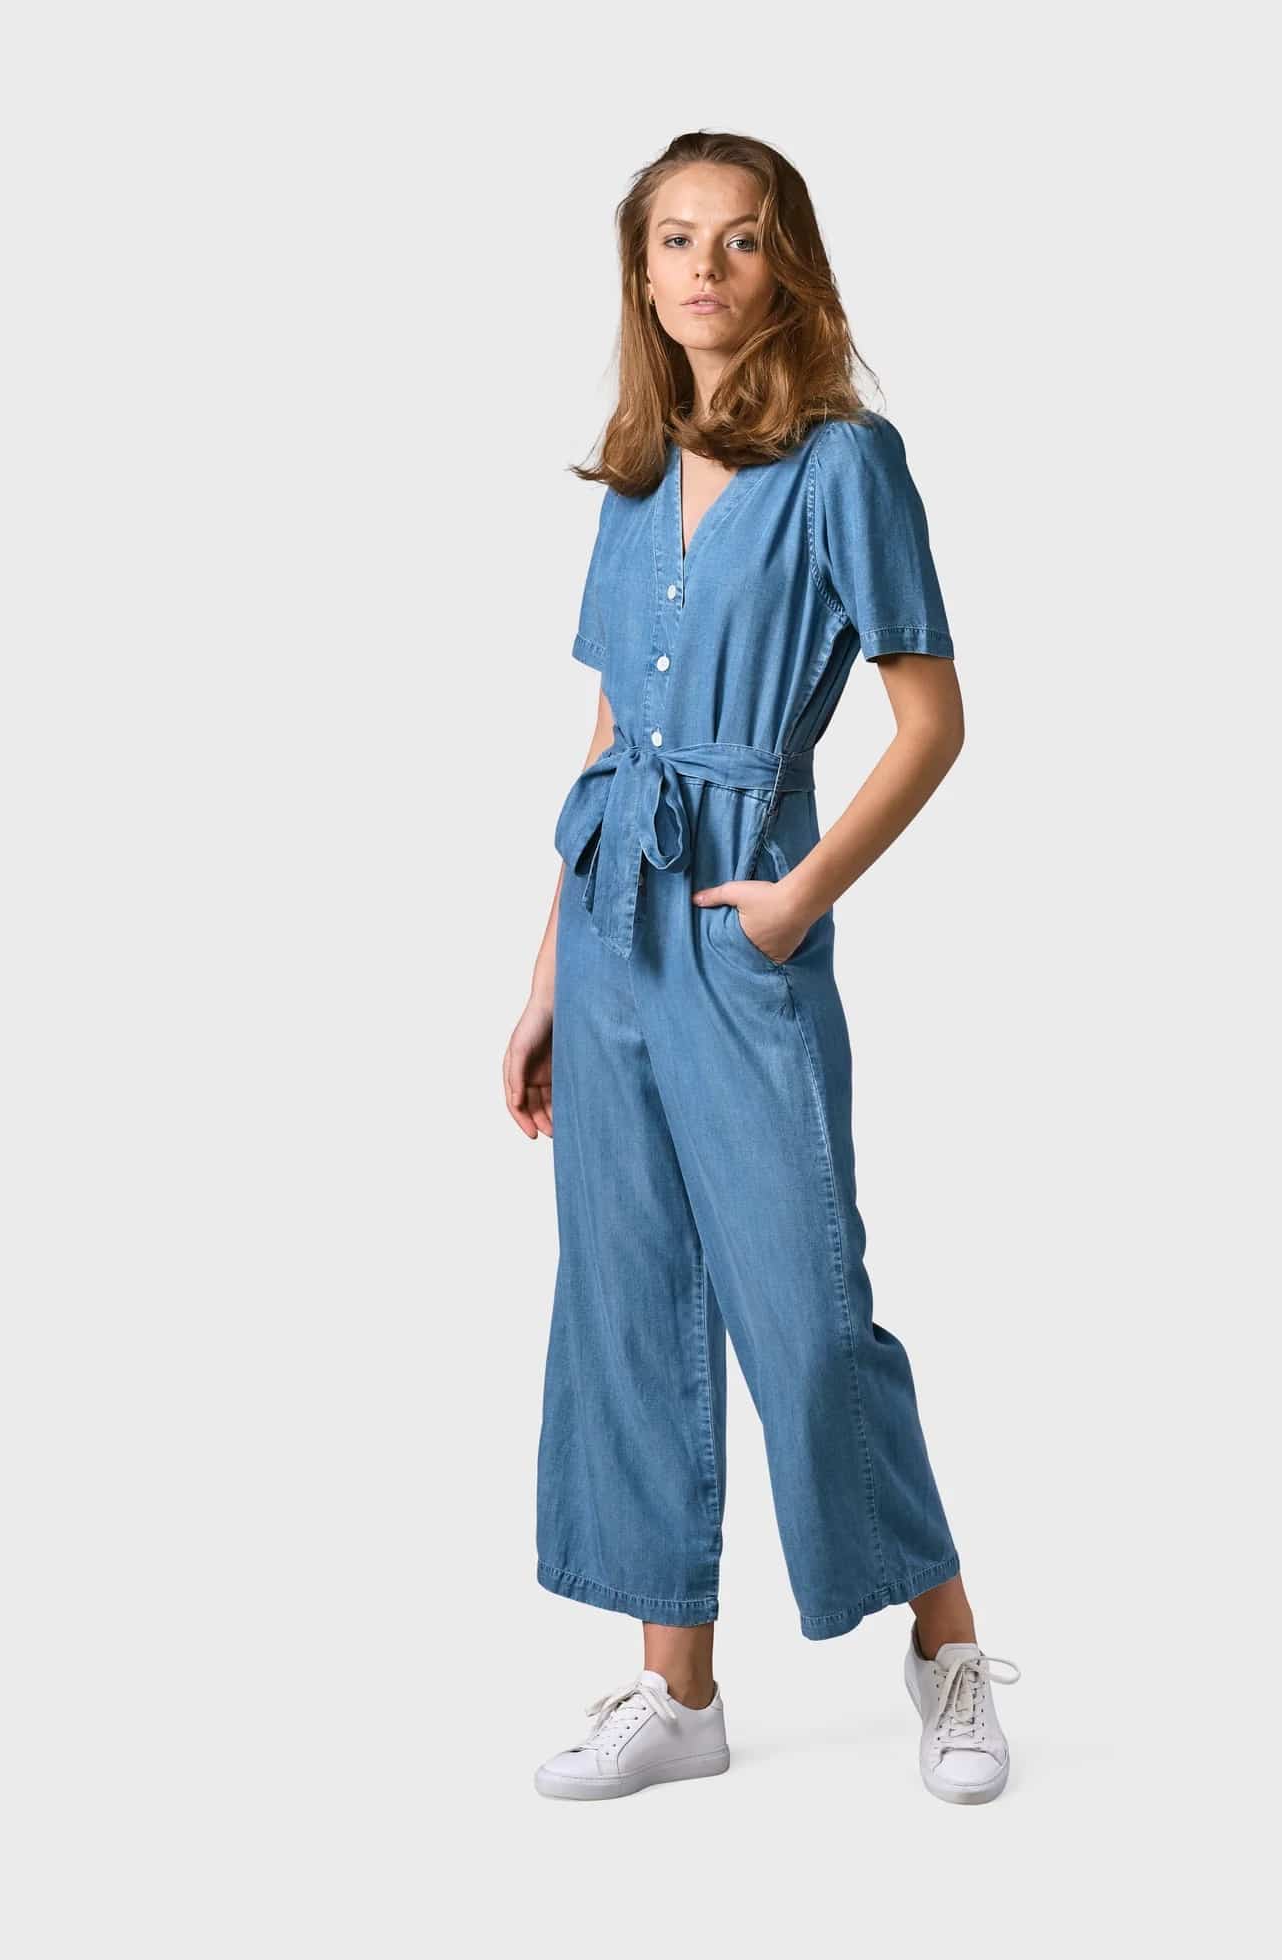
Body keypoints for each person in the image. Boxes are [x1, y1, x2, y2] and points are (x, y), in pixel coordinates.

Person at [503, 131, 1020, 1807]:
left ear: (784, 264)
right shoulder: (635, 477)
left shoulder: (845, 463)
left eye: (737, 239)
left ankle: (947, 1648)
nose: (705, 268)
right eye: (675, 240)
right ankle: (680, 1693)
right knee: (628, 1297)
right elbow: (605, 740)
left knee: (807, 1308)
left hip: (740, 932)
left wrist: (796, 898)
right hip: (610, 931)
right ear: (641, 270)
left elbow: (930, 721)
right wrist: (545, 977)